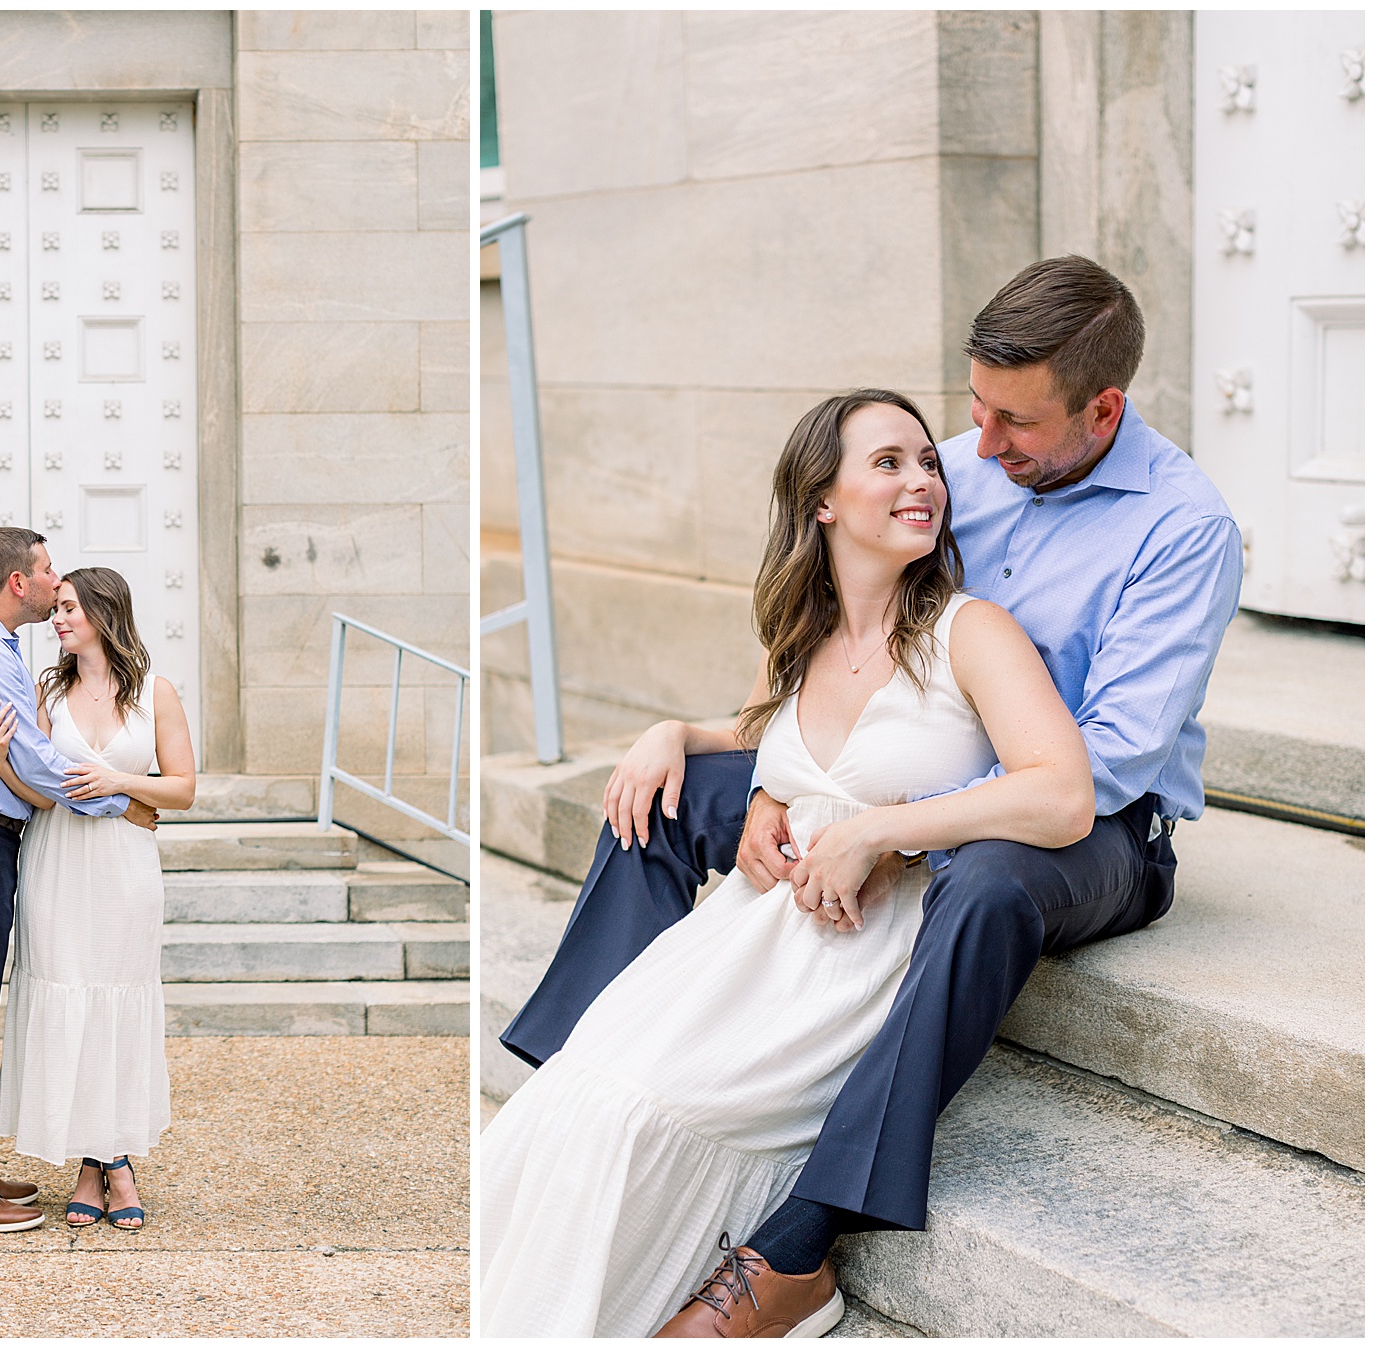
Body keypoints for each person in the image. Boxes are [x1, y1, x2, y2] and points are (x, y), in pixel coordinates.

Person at [497, 256, 1243, 1336]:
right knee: (656, 795)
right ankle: (574, 1077)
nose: (973, 450)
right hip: (911, 778)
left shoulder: (1184, 529)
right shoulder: (957, 468)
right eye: (972, 410)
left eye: (1011, 424)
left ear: (1104, 409)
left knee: (986, 880)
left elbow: (1105, 765)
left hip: (1097, 830)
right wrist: (768, 776)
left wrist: (888, 825)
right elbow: (836, 645)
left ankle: (801, 1243)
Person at [482, 388, 1096, 1336]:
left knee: (650, 1109)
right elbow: (769, 735)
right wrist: (671, 733)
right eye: (887, 463)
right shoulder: (800, 633)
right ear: (822, 498)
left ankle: (773, 1271)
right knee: (579, 1091)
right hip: (750, 937)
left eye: (927, 462)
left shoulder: (972, 631)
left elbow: (1061, 792)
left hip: (861, 952)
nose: (921, 482)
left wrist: (882, 829)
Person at [0, 528, 159, 1233]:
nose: (54, 584)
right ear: (18, 582)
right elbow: (39, 763)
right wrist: (119, 800)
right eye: (48, 571)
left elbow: (27, 767)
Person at [0, 567, 196, 1230]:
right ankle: (95, 1166)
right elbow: (43, 793)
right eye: (58, 607)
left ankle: (112, 1161)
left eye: (69, 608)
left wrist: (118, 781)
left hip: (126, 868)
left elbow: (183, 789)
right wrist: (0, 762)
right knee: (68, 991)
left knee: (117, 1002)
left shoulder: (156, 693)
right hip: (59, 862)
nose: (58, 618)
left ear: (104, 613)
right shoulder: (49, 691)